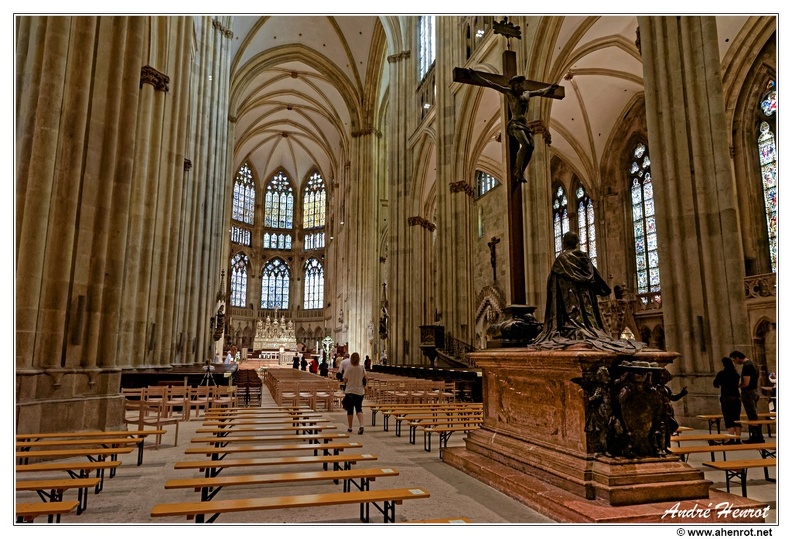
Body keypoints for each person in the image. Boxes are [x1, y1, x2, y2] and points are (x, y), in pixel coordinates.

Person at [533, 232, 641, 353]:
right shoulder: (584, 258)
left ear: (565, 243)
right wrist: (604, 289)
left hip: (568, 303)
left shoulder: (561, 259)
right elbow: (595, 278)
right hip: (586, 303)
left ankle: (574, 326)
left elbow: (553, 285)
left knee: (573, 318)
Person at [465, 68, 558, 184]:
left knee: (531, 147)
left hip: (525, 125)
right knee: (525, 144)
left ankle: (521, 171)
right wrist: (476, 77)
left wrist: (550, 88)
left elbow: (540, 92)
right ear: (513, 86)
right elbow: (491, 84)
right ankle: (517, 172)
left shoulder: (527, 94)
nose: (520, 86)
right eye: (518, 84)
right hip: (514, 124)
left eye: (521, 84)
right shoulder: (509, 93)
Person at [730, 350, 764, 443]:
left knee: (752, 415)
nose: (734, 362)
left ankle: (757, 437)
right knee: (753, 414)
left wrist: (737, 386)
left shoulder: (747, 366)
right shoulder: (753, 363)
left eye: (734, 360)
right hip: (754, 391)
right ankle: (757, 435)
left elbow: (746, 382)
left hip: (748, 392)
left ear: (737, 357)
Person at [713, 356, 742, 442]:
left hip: (726, 397)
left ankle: (731, 438)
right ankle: (738, 439)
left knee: (728, 417)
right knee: (736, 417)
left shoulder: (721, 374)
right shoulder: (736, 374)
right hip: (736, 397)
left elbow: (715, 384)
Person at [342, 352, 367, 434]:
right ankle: (361, 425)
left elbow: (345, 379)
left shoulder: (349, 368)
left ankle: (350, 427)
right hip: (360, 391)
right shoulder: (362, 368)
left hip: (350, 391)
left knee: (350, 410)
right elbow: (366, 378)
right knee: (359, 408)